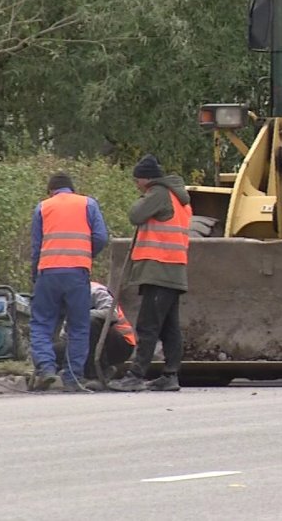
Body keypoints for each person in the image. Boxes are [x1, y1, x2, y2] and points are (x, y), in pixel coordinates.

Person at [108, 154, 192, 392]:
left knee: (148, 325)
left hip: (159, 267)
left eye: (137, 181)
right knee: (168, 327)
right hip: (173, 269)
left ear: (146, 179)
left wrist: (144, 197)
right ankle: (170, 375)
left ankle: (136, 374)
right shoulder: (178, 197)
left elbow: (135, 214)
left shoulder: (158, 193)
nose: (136, 185)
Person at [28, 172, 109, 393]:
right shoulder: (88, 204)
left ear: (50, 191)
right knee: (78, 326)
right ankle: (73, 377)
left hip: (49, 272)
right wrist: (86, 255)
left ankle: (46, 369)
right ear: (71, 189)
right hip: (77, 273)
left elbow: (36, 246)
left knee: (42, 323)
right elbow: (101, 237)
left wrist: (35, 274)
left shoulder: (43, 207)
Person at [52, 281, 137, 386]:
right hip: (88, 344)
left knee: (90, 321)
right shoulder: (68, 299)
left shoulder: (96, 290)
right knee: (53, 351)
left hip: (121, 343)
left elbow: (112, 314)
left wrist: (81, 315)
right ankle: (69, 372)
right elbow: (64, 336)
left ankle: (96, 375)